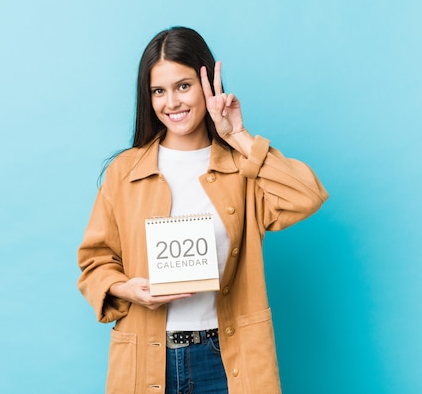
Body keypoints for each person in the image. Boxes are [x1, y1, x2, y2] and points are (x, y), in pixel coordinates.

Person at [77, 26, 328, 394]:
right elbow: (95, 262)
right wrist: (126, 289)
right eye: (158, 91)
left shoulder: (240, 168)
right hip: (149, 358)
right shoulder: (125, 172)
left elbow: (306, 195)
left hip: (227, 358)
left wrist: (238, 136)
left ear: (208, 84)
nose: (171, 102)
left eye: (183, 86)